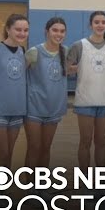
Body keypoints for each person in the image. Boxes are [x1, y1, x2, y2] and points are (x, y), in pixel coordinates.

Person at [66, 11, 105, 170]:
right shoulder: (79, 45)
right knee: (85, 141)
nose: (100, 25)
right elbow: (66, 69)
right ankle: (85, 178)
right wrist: (77, 68)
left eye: (103, 22)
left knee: (101, 142)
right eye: (97, 22)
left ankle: (99, 179)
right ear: (90, 25)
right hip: (85, 101)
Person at [0, 13, 29, 171]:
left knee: (9, 154)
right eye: (18, 29)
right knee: (2, 153)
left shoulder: (23, 51)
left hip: (17, 109)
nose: (22, 33)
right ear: (8, 29)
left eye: (25, 30)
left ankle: (2, 189)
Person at [24, 17, 68, 171]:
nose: (58, 34)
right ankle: (30, 187)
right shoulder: (34, 52)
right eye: (55, 30)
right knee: (34, 147)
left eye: (62, 31)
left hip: (53, 108)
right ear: (47, 31)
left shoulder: (66, 52)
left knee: (46, 148)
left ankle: (41, 186)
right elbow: (17, 77)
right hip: (34, 107)